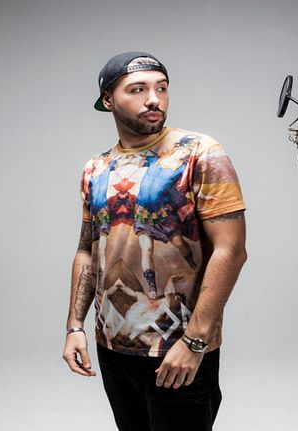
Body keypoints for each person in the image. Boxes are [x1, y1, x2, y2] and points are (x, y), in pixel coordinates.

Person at [62, 51, 248, 431]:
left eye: (161, 88)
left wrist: (195, 342)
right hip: (113, 349)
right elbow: (87, 250)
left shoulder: (200, 153)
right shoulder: (96, 168)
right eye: (138, 89)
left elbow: (231, 251)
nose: (153, 99)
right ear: (108, 100)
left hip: (178, 348)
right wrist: (75, 326)